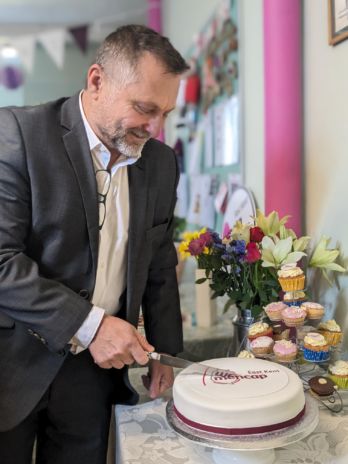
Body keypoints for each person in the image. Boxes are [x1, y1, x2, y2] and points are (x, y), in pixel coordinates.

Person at [0, 24, 189, 464]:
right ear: (97, 81)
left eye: (166, 112)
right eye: (145, 109)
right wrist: (91, 324)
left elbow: (159, 258)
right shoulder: (17, 134)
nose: (156, 128)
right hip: (13, 364)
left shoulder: (162, 164)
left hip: (94, 376)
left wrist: (167, 352)